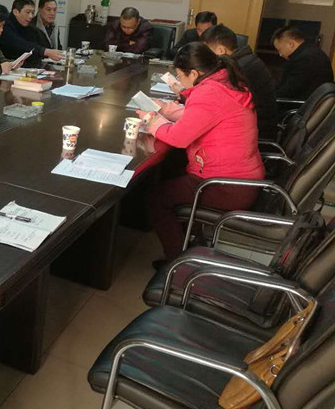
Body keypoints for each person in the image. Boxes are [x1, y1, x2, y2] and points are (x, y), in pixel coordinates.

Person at [138, 42, 264, 263]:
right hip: (243, 178)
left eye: (180, 76)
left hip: (226, 185)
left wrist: (152, 121)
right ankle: (192, 243)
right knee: (171, 171)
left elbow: (178, 138)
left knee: (155, 198)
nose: (179, 81)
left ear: (194, 73)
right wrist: (166, 110)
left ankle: (177, 262)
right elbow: (202, 117)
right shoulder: (225, 81)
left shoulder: (209, 92)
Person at [201, 24, 278, 140]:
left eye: (207, 53)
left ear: (221, 50)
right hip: (261, 124)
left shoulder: (238, 69)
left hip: (255, 132)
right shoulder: (247, 59)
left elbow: (215, 103)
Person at [0, 0, 63, 66]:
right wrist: (44, 51)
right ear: (16, 12)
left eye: (32, 13)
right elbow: (18, 43)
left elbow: (43, 46)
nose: (30, 16)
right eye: (28, 12)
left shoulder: (31, 28)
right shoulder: (5, 25)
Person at [273, 26, 334, 100]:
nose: (280, 54)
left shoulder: (306, 59)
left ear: (291, 44)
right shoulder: (311, 52)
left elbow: (290, 90)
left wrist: (267, 97)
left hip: (300, 104)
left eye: (279, 49)